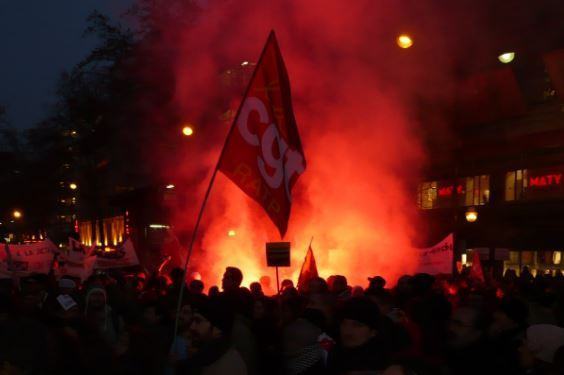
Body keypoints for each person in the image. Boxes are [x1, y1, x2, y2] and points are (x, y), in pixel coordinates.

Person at [178, 296, 247, 375]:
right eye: (192, 321)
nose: (192, 327)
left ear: (217, 328)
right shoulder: (210, 355)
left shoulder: (227, 365)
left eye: (198, 321)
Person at [328, 297, 390, 373]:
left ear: (373, 332)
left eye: (357, 325)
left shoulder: (381, 366)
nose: (347, 331)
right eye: (343, 323)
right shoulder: (331, 354)